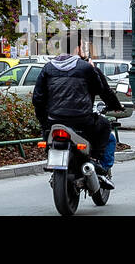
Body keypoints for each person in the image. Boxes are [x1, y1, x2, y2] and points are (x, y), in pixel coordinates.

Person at [31, 45, 123, 181]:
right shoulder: (85, 67)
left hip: (54, 120)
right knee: (105, 126)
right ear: (77, 49)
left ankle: (52, 156)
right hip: (82, 120)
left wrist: (44, 120)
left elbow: (37, 98)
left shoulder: (48, 68)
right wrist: (115, 105)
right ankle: (95, 160)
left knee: (47, 133)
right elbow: (102, 89)